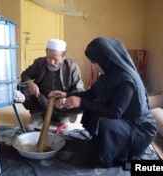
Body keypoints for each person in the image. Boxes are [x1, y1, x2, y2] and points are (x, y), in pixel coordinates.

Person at [49, 37, 157, 169]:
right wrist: (67, 94)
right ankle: (103, 145)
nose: (93, 68)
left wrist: (81, 102)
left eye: (95, 62)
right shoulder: (109, 74)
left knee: (103, 121)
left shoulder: (126, 80)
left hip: (139, 129)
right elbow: (91, 94)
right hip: (123, 120)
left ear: (107, 59)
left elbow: (115, 112)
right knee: (90, 109)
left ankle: (114, 156)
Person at [18, 39, 85, 131]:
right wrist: (30, 83)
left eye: (55, 59)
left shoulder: (72, 67)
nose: (51, 62)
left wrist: (65, 99)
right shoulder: (39, 63)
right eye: (49, 58)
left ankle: (66, 117)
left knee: (85, 100)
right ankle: (37, 115)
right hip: (42, 100)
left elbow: (79, 90)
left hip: (62, 104)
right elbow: (25, 75)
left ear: (63, 56)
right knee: (22, 87)